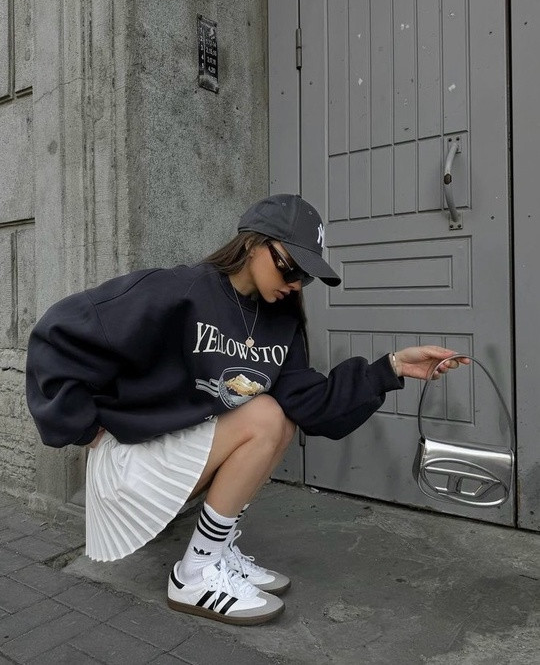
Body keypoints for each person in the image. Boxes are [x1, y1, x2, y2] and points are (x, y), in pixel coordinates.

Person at [26, 194, 467, 626]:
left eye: (306, 276)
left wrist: (392, 368)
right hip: (131, 464)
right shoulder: (179, 290)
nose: (295, 283)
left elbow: (311, 407)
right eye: (289, 267)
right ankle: (194, 575)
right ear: (253, 243)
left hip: (176, 458)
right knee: (265, 416)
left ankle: (214, 553)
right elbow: (56, 333)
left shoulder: (280, 320)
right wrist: (82, 427)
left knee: (281, 419)